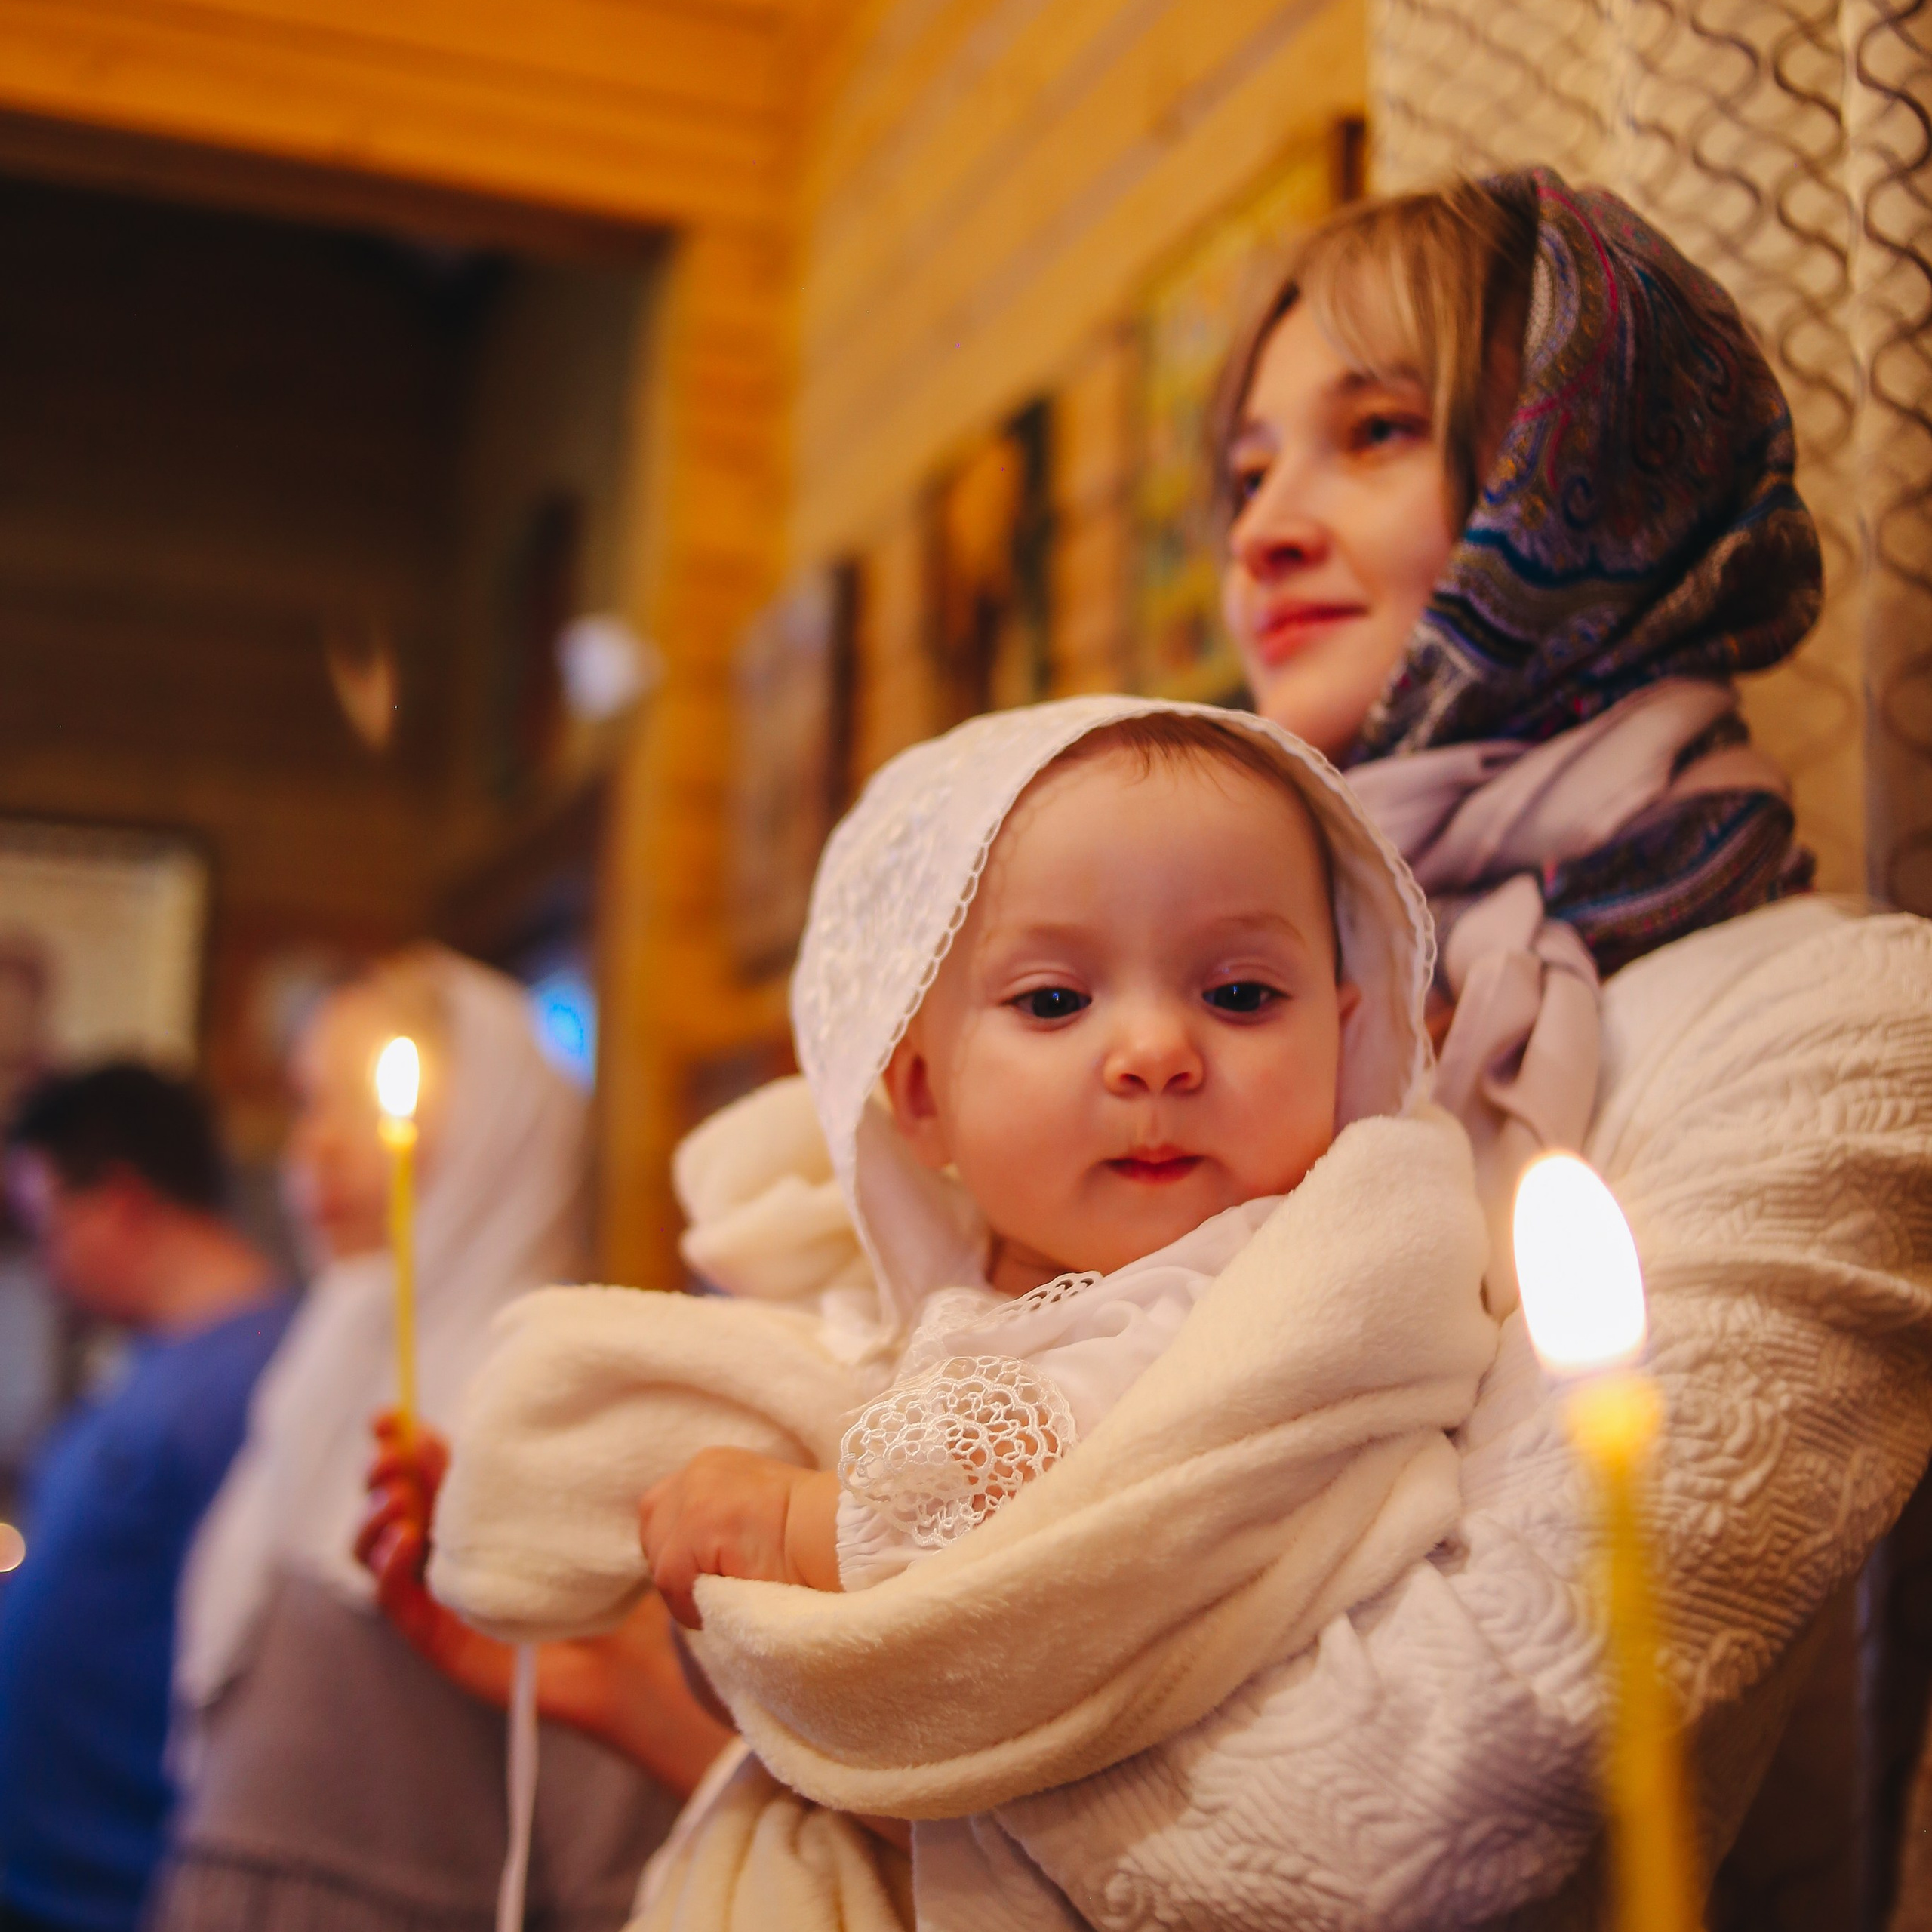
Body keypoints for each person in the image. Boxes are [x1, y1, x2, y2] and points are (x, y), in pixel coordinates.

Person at [411, 696, 1497, 1927]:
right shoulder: (939, 1307)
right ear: (922, 1093)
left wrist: (801, 1534)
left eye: (1241, 995)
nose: (1154, 1051)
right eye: (1053, 1002)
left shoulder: (1279, 1276)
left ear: (1346, 1045)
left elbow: (1073, 1513)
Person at [149, 948, 691, 1932]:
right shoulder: (323, 1360)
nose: (315, 1147)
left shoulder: (555, 1403)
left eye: (365, 1100)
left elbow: (610, 1839)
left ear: (495, 1121)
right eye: (312, 1102)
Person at [0, 1064, 292, 1932]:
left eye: (48, 1228)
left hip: (114, 1891)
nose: (49, 1269)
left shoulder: (267, 1377)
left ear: (122, 1202)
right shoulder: (149, 1362)